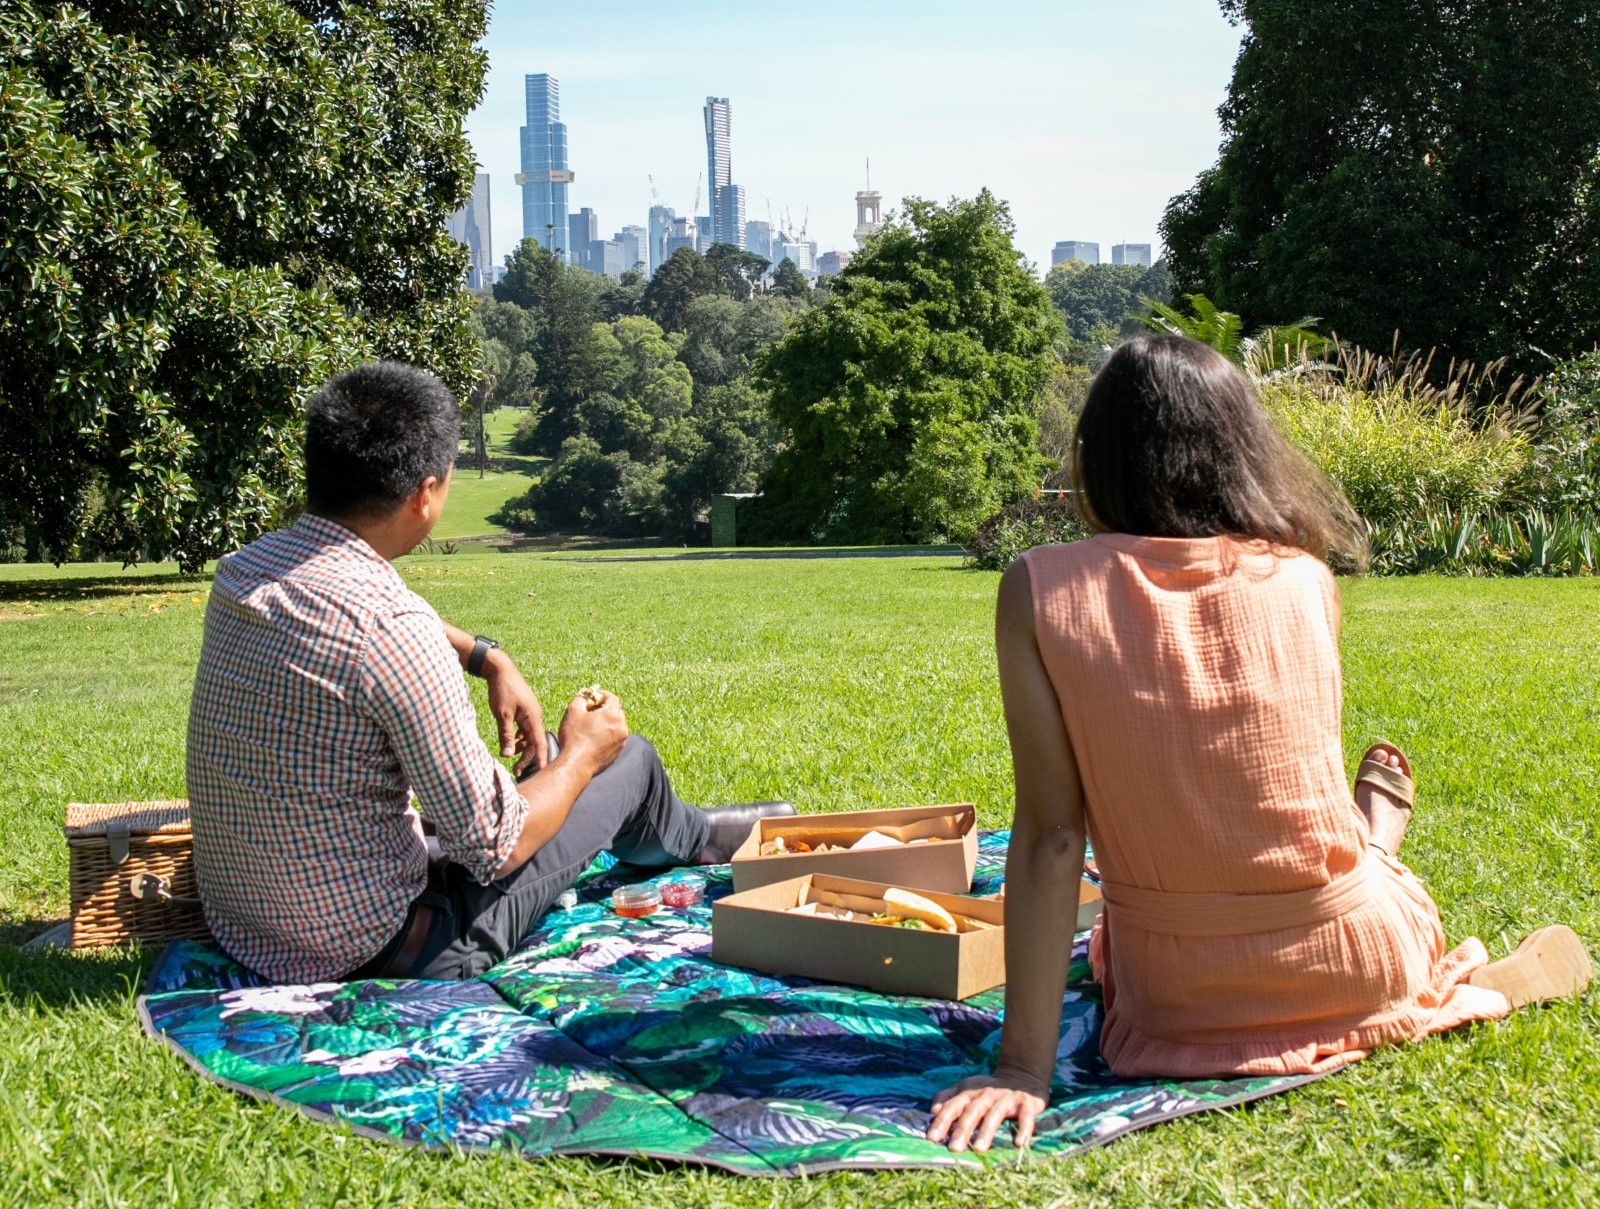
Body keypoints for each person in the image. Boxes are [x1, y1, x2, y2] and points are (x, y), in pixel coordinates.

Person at [928, 334, 1592, 1153]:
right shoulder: (1306, 575)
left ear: (1103, 458)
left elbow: (1055, 835)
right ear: (1238, 451)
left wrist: (1022, 1067)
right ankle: (1375, 842)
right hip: (1360, 961)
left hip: (1180, 996)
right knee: (1337, 848)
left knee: (1109, 932)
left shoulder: (1038, 587)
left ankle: (1373, 840)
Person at [186, 361, 793, 984]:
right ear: (425, 495)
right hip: (396, 946)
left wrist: (486, 655)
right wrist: (581, 756)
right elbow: (492, 848)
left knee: (557, 766)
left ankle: (686, 829)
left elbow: (343, 609)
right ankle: (699, 839)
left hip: (251, 927)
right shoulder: (395, 629)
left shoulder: (243, 573)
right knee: (626, 758)